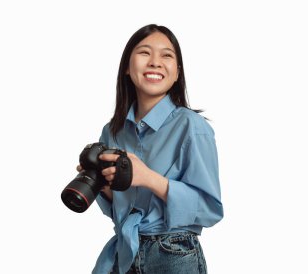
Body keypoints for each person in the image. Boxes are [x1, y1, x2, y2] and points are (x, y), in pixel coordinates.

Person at [89, 24, 223, 274]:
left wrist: (148, 178)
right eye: (144, 53)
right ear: (127, 68)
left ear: (176, 73)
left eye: (166, 55)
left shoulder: (191, 126)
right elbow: (120, 211)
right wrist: (105, 188)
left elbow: (209, 210)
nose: (155, 62)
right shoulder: (112, 131)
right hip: (124, 251)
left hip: (172, 254)